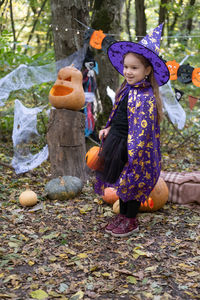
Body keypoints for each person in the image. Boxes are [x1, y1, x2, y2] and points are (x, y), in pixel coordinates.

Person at [94, 24, 170, 237]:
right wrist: (108, 128)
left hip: (136, 147)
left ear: (147, 71)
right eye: (126, 66)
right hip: (118, 140)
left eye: (134, 68)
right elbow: (119, 113)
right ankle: (121, 215)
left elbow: (142, 130)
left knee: (133, 181)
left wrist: (134, 151)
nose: (128, 71)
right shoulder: (127, 88)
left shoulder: (146, 97)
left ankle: (130, 219)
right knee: (122, 182)